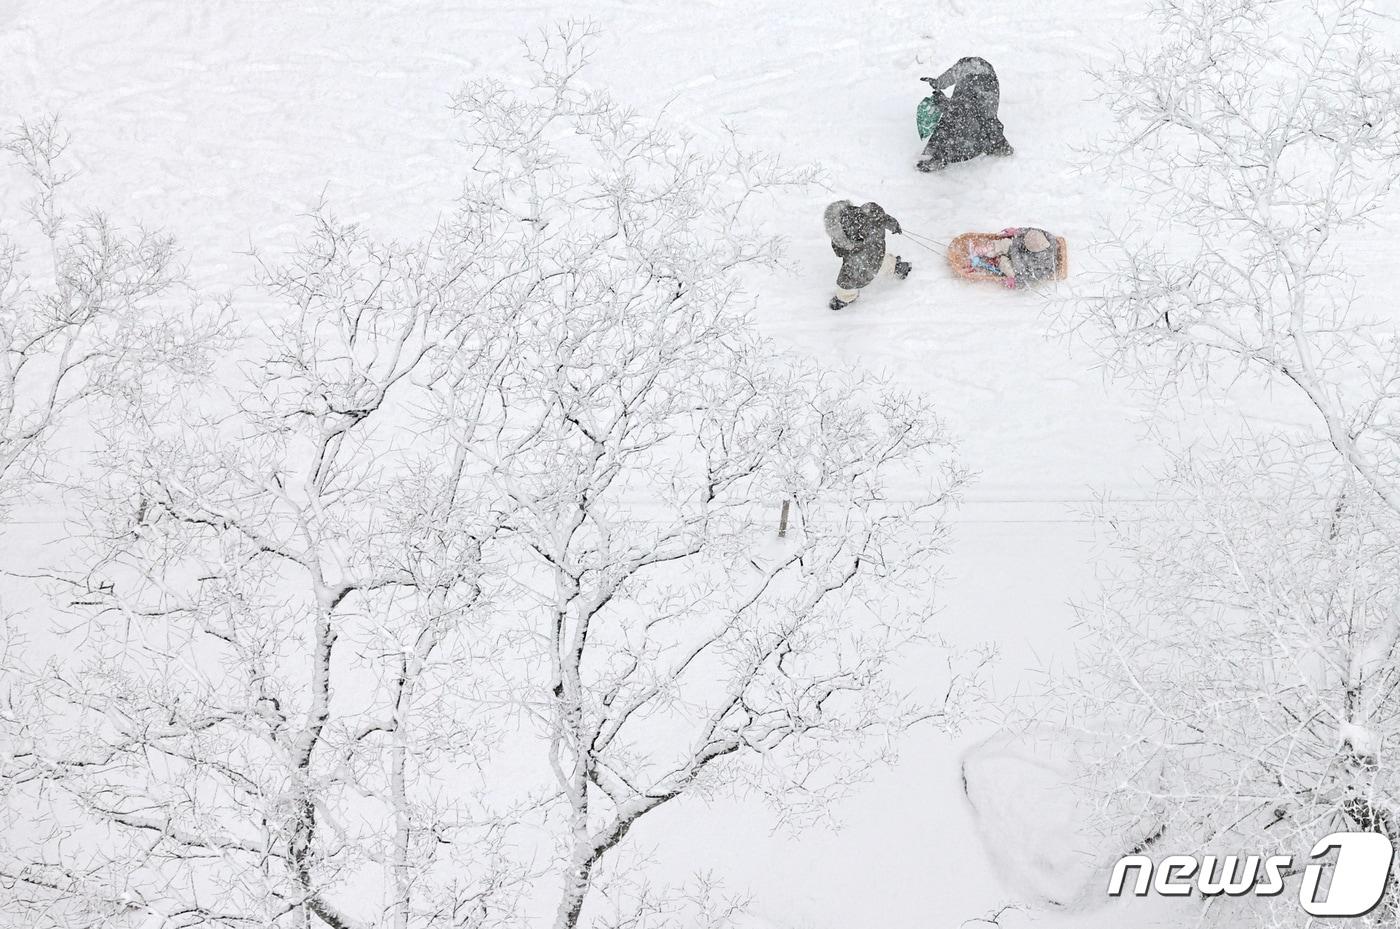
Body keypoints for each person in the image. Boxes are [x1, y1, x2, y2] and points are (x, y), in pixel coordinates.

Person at [916, 57, 1014, 172]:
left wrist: (942, 100)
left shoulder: (972, 80)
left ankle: (940, 157)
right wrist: (937, 84)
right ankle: (999, 146)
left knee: (957, 121)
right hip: (990, 87)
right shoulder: (968, 69)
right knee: (985, 121)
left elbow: (960, 108)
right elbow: (950, 80)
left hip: (986, 92)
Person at [824, 200, 911, 311]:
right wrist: (893, 225)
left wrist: (848, 247)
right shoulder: (864, 214)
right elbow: (879, 216)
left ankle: (844, 298)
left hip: (861, 257)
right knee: (878, 261)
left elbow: (839, 253)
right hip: (875, 247)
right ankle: (897, 267)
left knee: (848, 279)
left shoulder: (840, 236)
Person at [972, 227, 1058, 288]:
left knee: (1007, 267)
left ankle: (998, 261)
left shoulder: (1043, 265)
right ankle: (987, 249)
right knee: (1005, 243)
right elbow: (1028, 231)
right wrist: (1017, 231)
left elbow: (1031, 279)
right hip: (1015, 247)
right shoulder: (1046, 236)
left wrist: (1016, 282)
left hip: (1018, 266)